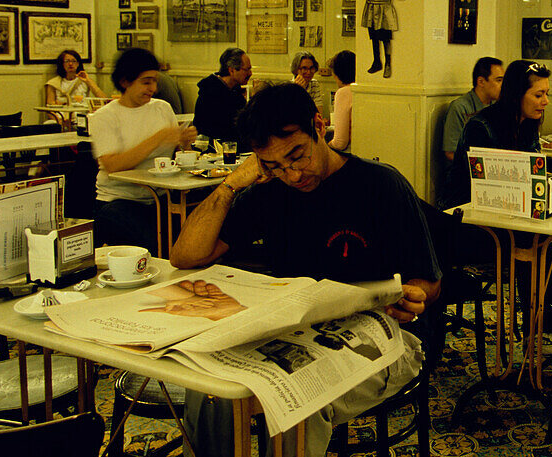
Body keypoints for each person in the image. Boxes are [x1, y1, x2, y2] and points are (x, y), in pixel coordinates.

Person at [169, 83, 440, 457]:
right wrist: (231, 184)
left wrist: (410, 297)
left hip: (392, 337)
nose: (293, 174)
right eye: (274, 165)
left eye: (298, 156)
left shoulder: (379, 184)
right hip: (296, 333)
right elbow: (185, 255)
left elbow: (428, 282)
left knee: (298, 400)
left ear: (319, 125)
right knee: (209, 385)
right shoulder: (270, 190)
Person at [91, 48, 197, 250]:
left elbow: (176, 156)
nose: (153, 88)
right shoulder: (104, 117)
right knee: (157, 246)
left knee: (194, 237)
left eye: (155, 81)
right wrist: (158, 138)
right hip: (118, 201)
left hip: (160, 197)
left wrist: (185, 143)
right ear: (125, 82)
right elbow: (112, 165)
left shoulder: (162, 108)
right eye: (146, 82)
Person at [443, 60, 552, 210]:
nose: (546, 101)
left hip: (507, 210)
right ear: (516, 95)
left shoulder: (527, 122)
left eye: (547, 94)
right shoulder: (479, 127)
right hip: (468, 211)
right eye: (538, 95)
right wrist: (542, 180)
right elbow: (490, 182)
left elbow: (529, 161)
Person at [442, 57, 504, 162]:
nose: (503, 85)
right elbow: (450, 152)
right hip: (464, 171)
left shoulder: (497, 106)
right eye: (498, 80)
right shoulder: (460, 107)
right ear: (481, 82)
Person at [193, 47, 251, 144]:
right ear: (232, 70)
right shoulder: (210, 94)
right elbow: (215, 131)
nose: (250, 73)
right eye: (247, 70)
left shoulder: (235, 91)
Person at [327, 50, 355, 152]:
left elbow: (340, 143)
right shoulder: (362, 91)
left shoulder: (343, 93)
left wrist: (326, 147)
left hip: (352, 153)